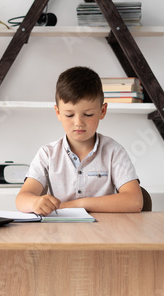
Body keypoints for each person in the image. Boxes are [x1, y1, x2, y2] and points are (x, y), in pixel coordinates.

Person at [15, 66, 143, 215]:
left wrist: (78, 204)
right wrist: (34, 202)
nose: (78, 123)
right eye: (69, 115)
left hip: (105, 232)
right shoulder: (47, 154)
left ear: (102, 111)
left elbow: (135, 201)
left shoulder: (114, 152)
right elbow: (22, 199)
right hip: (60, 233)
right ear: (58, 113)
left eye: (88, 114)